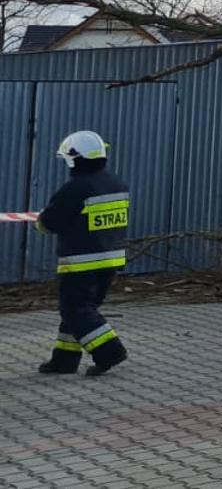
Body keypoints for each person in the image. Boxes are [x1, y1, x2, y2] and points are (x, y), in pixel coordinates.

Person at [35, 130, 130, 377]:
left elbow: (51, 222)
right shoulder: (115, 183)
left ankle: (109, 351)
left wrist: (40, 222)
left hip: (81, 261)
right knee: (81, 310)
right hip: (110, 259)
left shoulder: (76, 188)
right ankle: (64, 360)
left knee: (75, 309)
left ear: (75, 158)